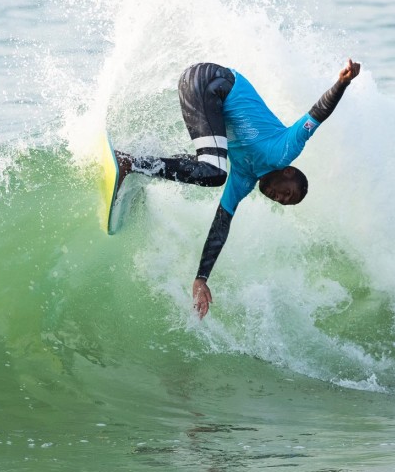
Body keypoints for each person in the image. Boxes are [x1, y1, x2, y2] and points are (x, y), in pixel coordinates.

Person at [115, 58, 360, 318]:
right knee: (214, 171)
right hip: (213, 81)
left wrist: (201, 278)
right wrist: (342, 83)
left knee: (209, 166)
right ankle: (130, 162)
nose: (279, 197)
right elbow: (318, 113)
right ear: (288, 172)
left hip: (201, 90)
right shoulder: (285, 149)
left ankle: (138, 159)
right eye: (287, 193)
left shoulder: (244, 179)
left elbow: (221, 224)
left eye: (282, 202)